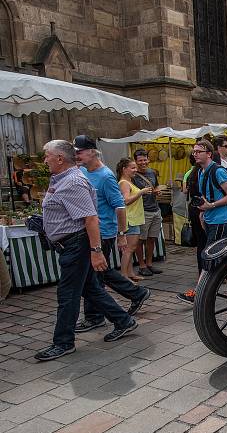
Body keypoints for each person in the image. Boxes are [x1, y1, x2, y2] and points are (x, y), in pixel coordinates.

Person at [35, 140, 138, 361]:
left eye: (47, 156)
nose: (45, 160)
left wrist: (96, 251)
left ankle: (63, 342)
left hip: (76, 245)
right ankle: (123, 320)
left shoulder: (73, 181)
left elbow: (91, 218)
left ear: (60, 159)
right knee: (90, 289)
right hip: (71, 244)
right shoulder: (63, 178)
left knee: (68, 295)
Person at [75, 138, 149, 330]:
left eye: (80, 152)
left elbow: (120, 206)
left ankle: (95, 316)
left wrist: (121, 233)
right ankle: (135, 294)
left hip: (104, 231)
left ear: (92, 152)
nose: (77, 155)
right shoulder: (82, 171)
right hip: (90, 230)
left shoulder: (106, 176)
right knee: (100, 273)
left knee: (94, 276)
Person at [177, 139, 227, 304]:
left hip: (221, 220)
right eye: (194, 151)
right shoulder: (200, 171)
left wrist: (211, 206)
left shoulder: (218, 171)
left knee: (209, 257)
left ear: (209, 154)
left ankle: (199, 293)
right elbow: (206, 197)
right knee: (226, 256)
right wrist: (203, 212)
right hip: (210, 218)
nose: (195, 154)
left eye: (199, 151)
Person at [178, 153, 207, 302]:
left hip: (194, 209)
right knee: (208, 244)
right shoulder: (203, 172)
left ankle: (201, 275)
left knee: (201, 245)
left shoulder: (190, 173)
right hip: (203, 210)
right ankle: (205, 281)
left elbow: (184, 191)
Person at [132, 149, 163, 277]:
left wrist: (157, 191)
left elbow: (155, 186)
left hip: (155, 209)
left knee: (152, 238)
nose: (143, 162)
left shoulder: (151, 172)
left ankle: (149, 263)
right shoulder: (132, 175)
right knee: (141, 239)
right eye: (140, 160)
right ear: (135, 161)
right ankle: (142, 265)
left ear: (148, 160)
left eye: (145, 160)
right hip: (142, 211)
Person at [117, 158, 148, 282]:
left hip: (134, 219)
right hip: (130, 220)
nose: (136, 170)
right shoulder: (124, 183)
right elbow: (126, 201)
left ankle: (129, 273)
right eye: (133, 168)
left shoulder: (129, 181)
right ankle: (124, 276)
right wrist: (141, 192)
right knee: (129, 249)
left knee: (130, 248)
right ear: (124, 169)